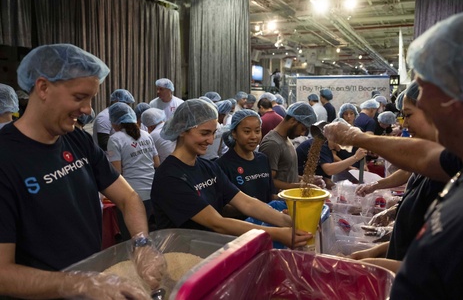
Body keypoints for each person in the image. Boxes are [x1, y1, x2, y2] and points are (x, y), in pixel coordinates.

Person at [326, 9, 463, 299]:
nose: (422, 101)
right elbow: (425, 156)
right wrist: (379, 265)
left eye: (425, 88)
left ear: (461, 92)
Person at [0, 43, 164, 299]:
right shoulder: (6, 158)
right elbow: (3, 273)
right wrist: (77, 283)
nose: (88, 110)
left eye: (90, 99)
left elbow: (128, 197)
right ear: (43, 87)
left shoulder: (77, 139)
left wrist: (142, 243)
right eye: (79, 98)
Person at [151, 99, 312, 248]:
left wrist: (290, 222)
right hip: (182, 256)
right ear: (181, 131)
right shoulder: (170, 177)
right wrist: (277, 233)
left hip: (209, 250)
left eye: (213, 133)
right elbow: (217, 222)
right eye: (204, 133)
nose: (211, 140)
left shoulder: (208, 167)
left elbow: (247, 203)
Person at [349, 81, 462, 270]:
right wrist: (377, 251)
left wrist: (376, 265)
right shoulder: (427, 170)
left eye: (408, 115)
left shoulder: (448, 177)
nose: (405, 124)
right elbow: (417, 240)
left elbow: (437, 270)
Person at [107, 102, 160, 239]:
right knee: (153, 237)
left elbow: (116, 173)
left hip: (133, 197)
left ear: (115, 121)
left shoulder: (115, 139)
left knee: (133, 240)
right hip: (153, 192)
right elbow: (156, 162)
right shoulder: (146, 135)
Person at [216, 110, 275, 218]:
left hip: (266, 224)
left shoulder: (263, 159)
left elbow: (270, 195)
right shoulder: (222, 165)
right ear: (234, 133)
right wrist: (254, 209)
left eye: (257, 131)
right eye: (247, 132)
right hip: (240, 230)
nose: (253, 137)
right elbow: (222, 208)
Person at [259, 102, 317, 190]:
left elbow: (286, 174)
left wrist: (306, 180)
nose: (302, 134)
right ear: (293, 120)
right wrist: (299, 186)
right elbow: (268, 180)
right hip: (279, 201)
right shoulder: (272, 143)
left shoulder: (286, 139)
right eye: (302, 129)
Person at [296, 137, 366, 189]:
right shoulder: (320, 144)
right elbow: (329, 170)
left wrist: (339, 190)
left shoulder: (328, 150)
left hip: (309, 184)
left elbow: (326, 179)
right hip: (298, 184)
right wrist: (355, 158)